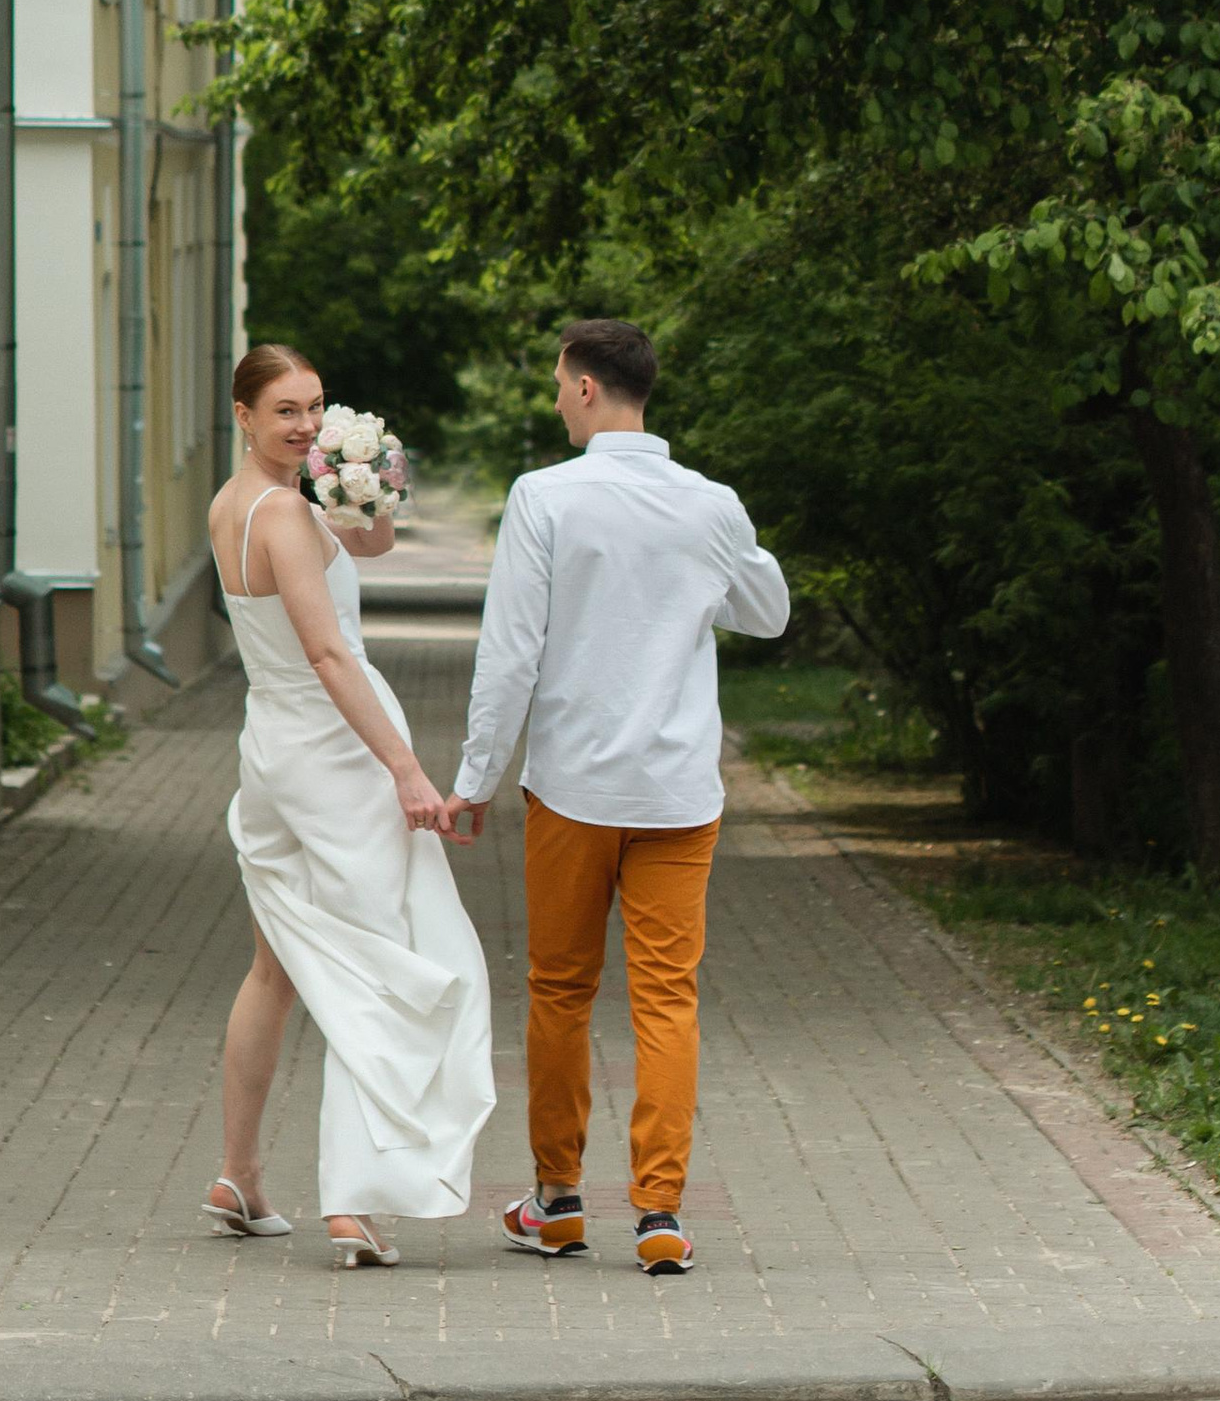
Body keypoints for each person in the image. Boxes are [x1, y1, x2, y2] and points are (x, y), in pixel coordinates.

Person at [448, 316, 788, 1276]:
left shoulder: (545, 497)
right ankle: (660, 1214)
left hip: (574, 789)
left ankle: (557, 1203)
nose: (558, 399)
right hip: (678, 793)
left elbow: (510, 653)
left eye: (561, 384)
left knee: (560, 991)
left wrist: (475, 779)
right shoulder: (711, 504)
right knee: (667, 998)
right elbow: (768, 611)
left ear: (589, 387)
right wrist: (696, 580)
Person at [203, 343, 494, 1268]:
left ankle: (238, 1176)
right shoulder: (284, 515)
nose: (305, 425)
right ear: (244, 415)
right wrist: (405, 769)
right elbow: (330, 655)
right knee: (378, 967)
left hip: (274, 750)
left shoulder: (237, 503)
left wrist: (365, 487)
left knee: (276, 969)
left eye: (316, 407)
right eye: (285, 410)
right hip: (336, 757)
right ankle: (355, 1201)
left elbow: (370, 545)